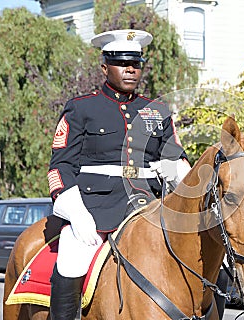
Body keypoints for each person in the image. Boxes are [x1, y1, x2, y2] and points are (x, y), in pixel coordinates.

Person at [47, 29, 191, 320]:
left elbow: (178, 158)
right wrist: (77, 213)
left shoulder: (157, 110)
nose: (130, 69)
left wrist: (177, 171)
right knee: (72, 258)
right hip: (95, 209)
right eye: (122, 63)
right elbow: (60, 167)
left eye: (136, 64)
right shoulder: (81, 108)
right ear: (104, 67)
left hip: (150, 207)